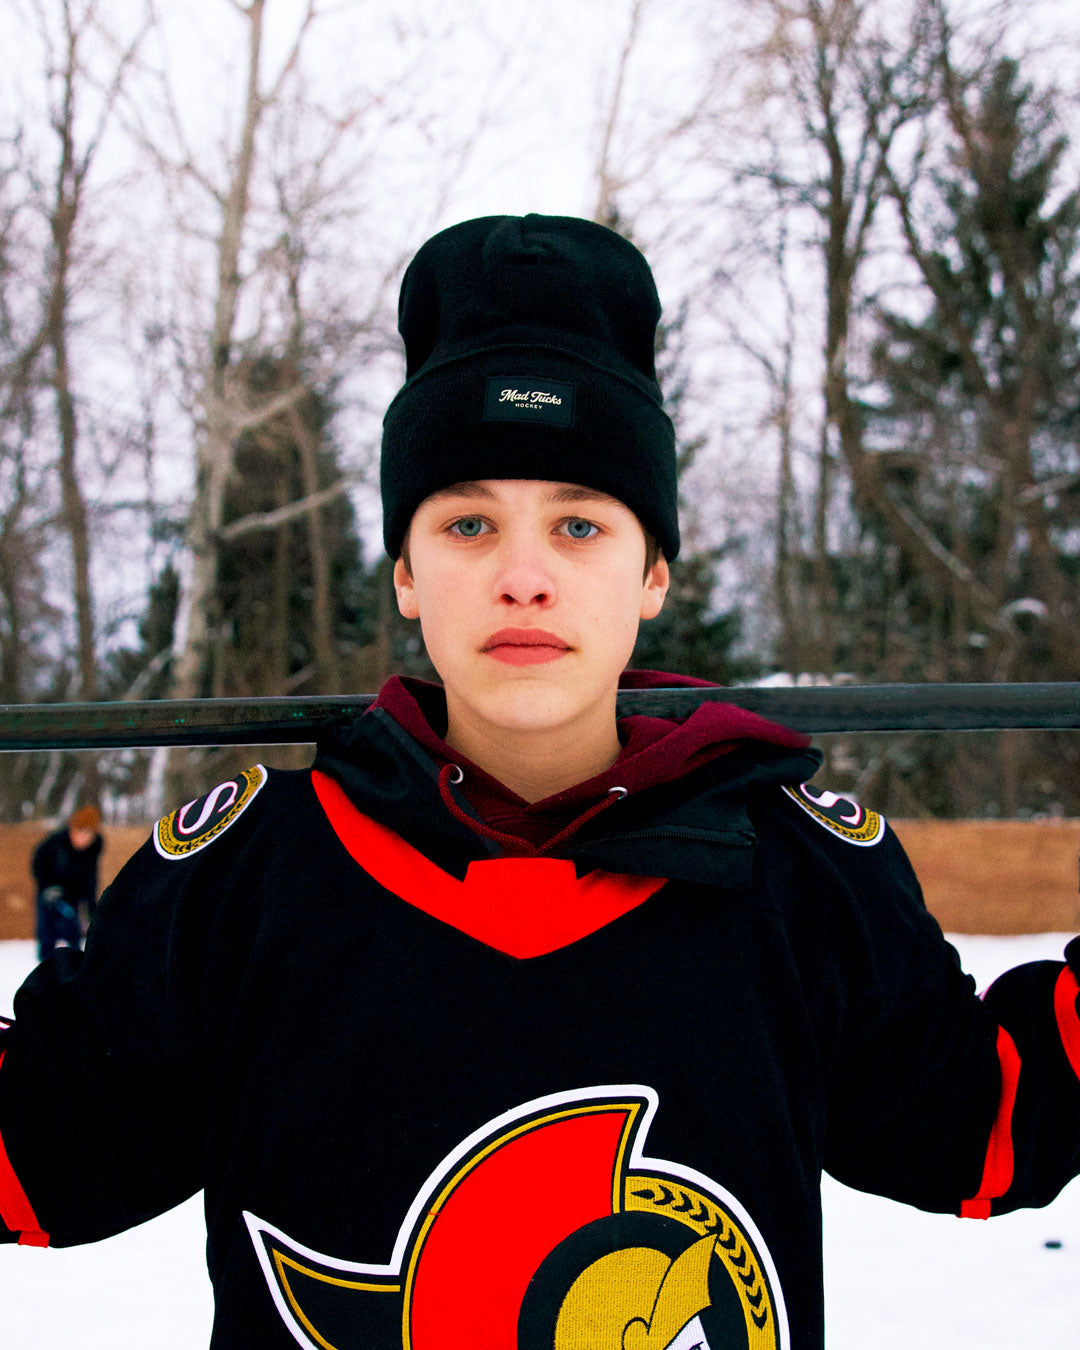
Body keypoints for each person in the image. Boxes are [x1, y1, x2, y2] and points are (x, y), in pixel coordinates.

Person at [1, 215, 1078, 1350]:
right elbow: (40, 1162)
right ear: (407, 574)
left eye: (579, 524)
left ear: (652, 571)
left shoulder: (791, 870)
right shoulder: (250, 878)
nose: (523, 577)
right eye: (468, 523)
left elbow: (986, 1129)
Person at [30, 805, 102, 963]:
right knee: (46, 937)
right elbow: (38, 864)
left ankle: (74, 977)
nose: (82, 838)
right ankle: (44, 974)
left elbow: (91, 880)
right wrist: (48, 887)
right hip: (49, 895)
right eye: (79, 832)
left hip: (71, 898)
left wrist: (92, 909)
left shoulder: (93, 849)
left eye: (87, 834)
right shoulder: (54, 843)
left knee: (73, 936)